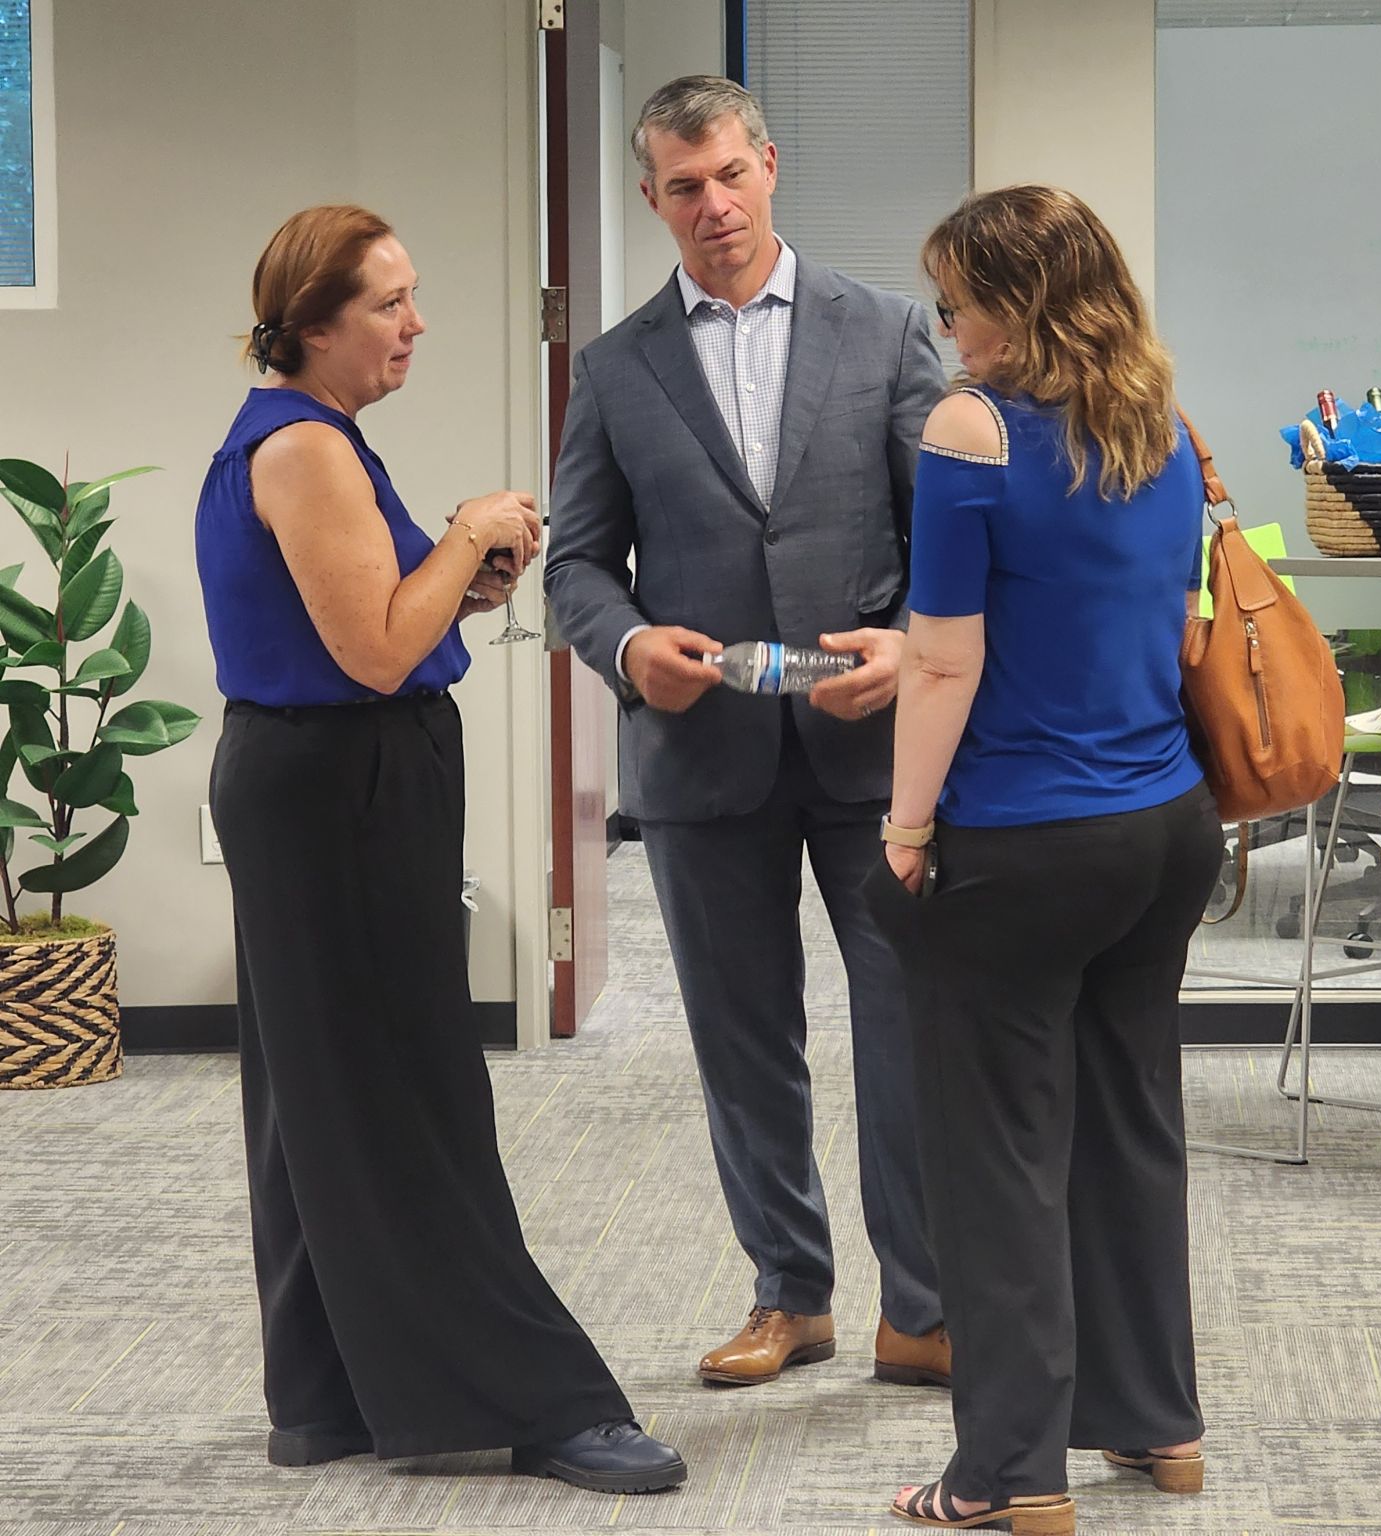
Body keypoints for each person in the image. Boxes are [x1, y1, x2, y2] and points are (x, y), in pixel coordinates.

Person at [196, 204, 684, 1493]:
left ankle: (328, 1394)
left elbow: (372, 620)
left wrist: (458, 584)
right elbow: (369, 652)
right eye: (389, 304)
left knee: (321, 1088)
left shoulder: (313, 437)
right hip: (337, 788)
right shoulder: (305, 449)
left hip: (328, 781)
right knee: (411, 1093)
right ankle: (541, 1399)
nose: (416, 324)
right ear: (314, 326)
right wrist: (469, 529)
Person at [543, 77, 949, 1389]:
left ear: (768, 166)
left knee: (906, 1027)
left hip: (871, 749)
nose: (712, 204)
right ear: (651, 197)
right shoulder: (615, 368)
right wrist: (625, 647)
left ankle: (923, 1308)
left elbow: (948, 538)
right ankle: (791, 1296)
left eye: (729, 173)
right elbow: (575, 566)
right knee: (742, 1039)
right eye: (683, 185)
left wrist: (909, 644)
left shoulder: (885, 330)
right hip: (701, 757)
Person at [865, 186, 1224, 1535]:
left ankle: (1006, 1474)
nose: (945, 328)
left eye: (958, 301)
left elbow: (944, 660)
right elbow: (1131, 618)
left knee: (997, 1159)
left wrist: (905, 830)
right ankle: (1158, 1422)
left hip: (1024, 842)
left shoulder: (972, 429)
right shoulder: (1161, 424)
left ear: (1020, 306)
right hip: (1164, 828)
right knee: (1132, 1129)